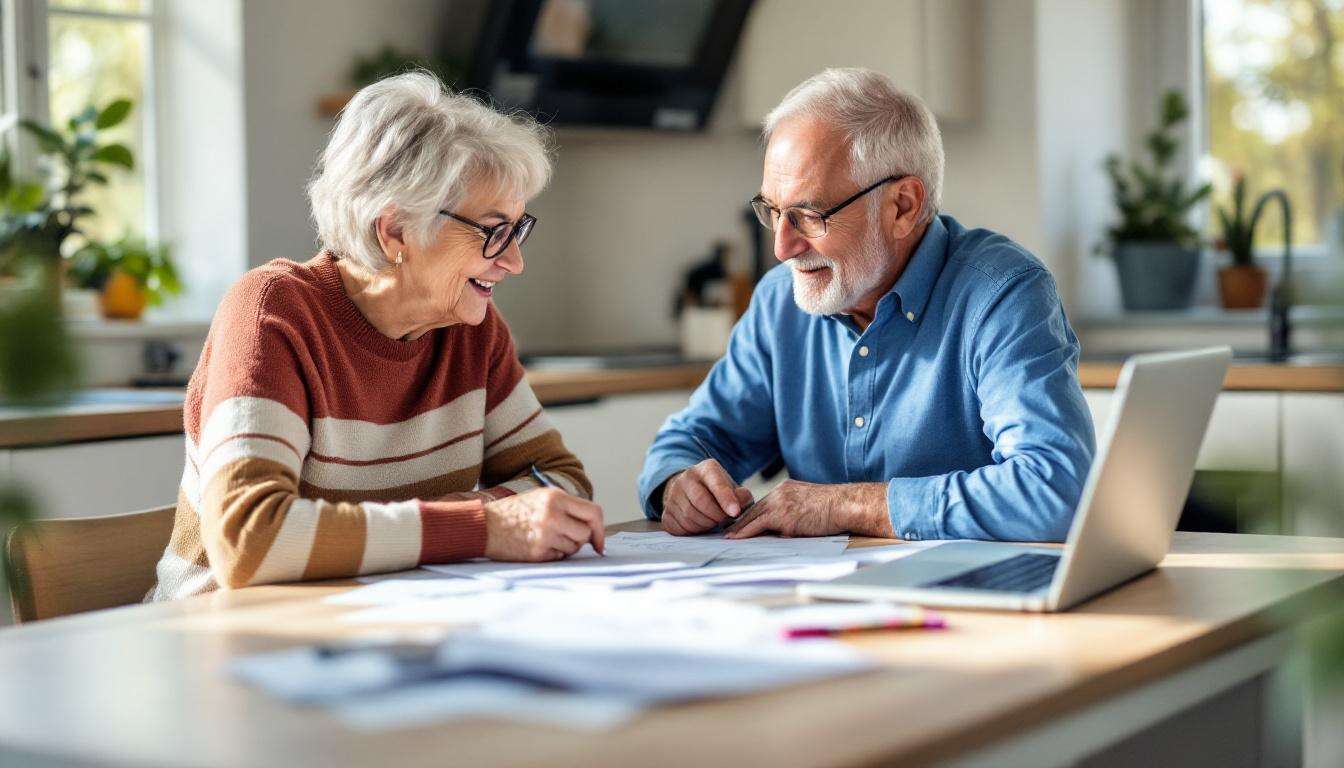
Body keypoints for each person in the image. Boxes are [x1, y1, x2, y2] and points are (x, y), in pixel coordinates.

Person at [149, 72, 601, 600]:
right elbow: (248, 541)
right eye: (494, 231)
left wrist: (442, 528)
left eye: (518, 230)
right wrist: (482, 525)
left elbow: (561, 485)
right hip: (223, 640)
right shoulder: (274, 313)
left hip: (380, 625)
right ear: (395, 230)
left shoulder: (470, 330)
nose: (515, 261)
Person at [638, 68, 1095, 543]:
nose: (782, 247)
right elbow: (688, 443)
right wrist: (678, 484)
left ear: (903, 206)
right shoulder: (779, 301)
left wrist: (848, 505)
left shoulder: (1002, 293)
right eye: (772, 211)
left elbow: (1056, 488)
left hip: (968, 601)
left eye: (810, 216)